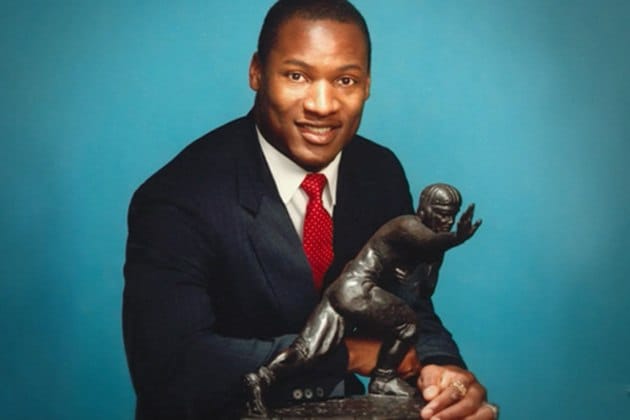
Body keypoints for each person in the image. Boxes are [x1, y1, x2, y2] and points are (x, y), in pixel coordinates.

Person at [123, 1, 497, 419]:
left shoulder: (378, 171)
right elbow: (171, 365)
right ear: (257, 72)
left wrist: (441, 367)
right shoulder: (179, 197)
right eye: (297, 75)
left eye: (345, 79)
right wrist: (346, 355)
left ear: (368, 84)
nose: (322, 104)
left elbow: (407, 300)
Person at [243, 188, 481, 416]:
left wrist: (428, 261)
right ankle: (383, 379)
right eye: (440, 213)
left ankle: (262, 378)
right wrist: (455, 238)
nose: (447, 220)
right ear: (424, 210)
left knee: (306, 350)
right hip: (358, 289)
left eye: (451, 214)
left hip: (344, 290)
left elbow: (424, 291)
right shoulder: (407, 225)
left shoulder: (429, 247)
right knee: (408, 326)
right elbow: (431, 242)